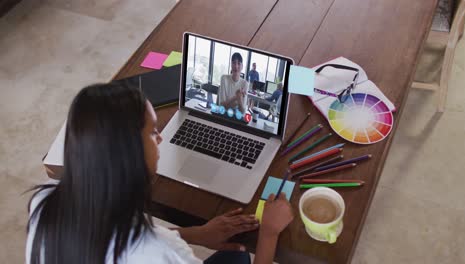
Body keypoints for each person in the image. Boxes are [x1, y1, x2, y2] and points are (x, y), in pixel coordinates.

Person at [26, 82, 294, 264]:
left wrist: (195, 234)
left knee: (235, 256)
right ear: (130, 156)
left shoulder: (44, 203)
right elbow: (152, 247)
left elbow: (113, 241)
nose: (161, 139)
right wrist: (269, 233)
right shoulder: (160, 252)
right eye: (153, 132)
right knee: (241, 255)